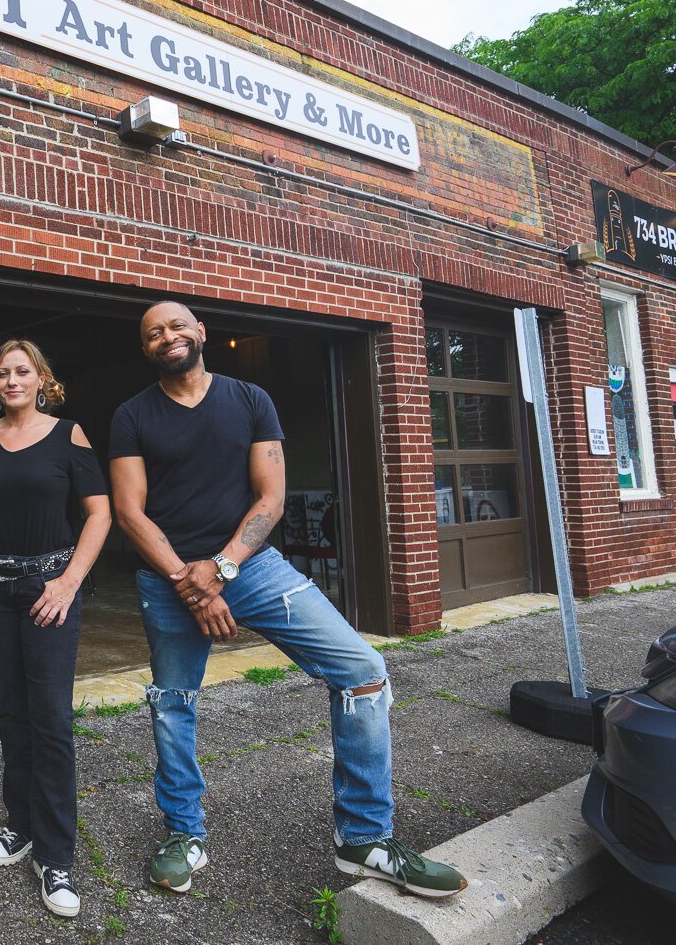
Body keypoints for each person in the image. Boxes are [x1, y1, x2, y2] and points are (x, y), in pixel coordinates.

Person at [109, 301, 466, 899]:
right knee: (173, 703)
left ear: (201, 332)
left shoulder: (250, 399)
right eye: (153, 333)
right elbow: (129, 512)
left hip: (250, 567)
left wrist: (221, 568)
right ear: (145, 348)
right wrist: (190, 583)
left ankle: (364, 838)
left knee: (362, 671)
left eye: (176, 326)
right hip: (169, 578)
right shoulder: (132, 414)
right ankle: (183, 834)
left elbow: (271, 498)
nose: (167, 337)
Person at [0, 340, 111, 918]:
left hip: (48, 591)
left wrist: (68, 583)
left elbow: (99, 513)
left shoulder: (70, 435)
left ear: (42, 379)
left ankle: (56, 855)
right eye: (2, 373)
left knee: (52, 720)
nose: (12, 380)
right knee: (12, 713)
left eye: (22, 371)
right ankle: (20, 824)